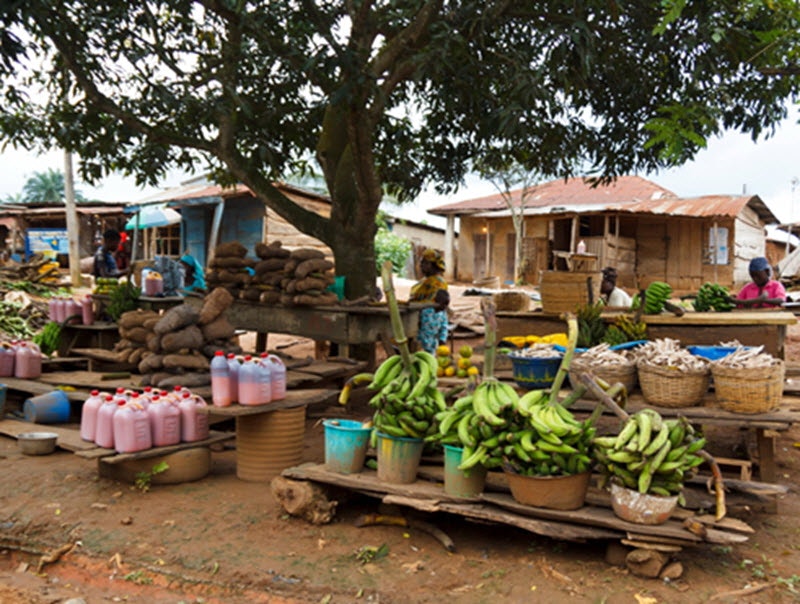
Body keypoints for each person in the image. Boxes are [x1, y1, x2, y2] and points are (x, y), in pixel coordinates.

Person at [416, 289, 451, 355]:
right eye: (443, 304)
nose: (444, 307)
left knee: (431, 360)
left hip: (433, 343)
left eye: (446, 305)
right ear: (436, 301)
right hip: (421, 341)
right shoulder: (425, 310)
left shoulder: (443, 314)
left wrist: (442, 340)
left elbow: (444, 327)